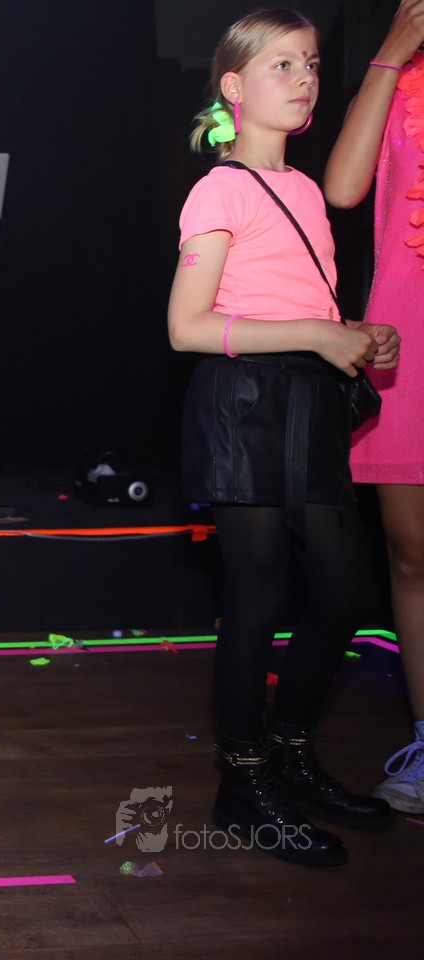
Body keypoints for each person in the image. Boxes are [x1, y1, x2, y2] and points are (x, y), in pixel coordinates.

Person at [168, 8, 401, 866]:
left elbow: (296, 300)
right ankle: (242, 782)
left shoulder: (303, 189)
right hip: (243, 408)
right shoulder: (219, 189)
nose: (305, 79)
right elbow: (187, 327)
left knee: (345, 591)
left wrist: (358, 334)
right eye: (283, 65)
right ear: (234, 86)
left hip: (309, 403)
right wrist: (316, 332)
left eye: (311, 64)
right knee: (258, 602)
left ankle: (290, 751)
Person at [322, 0, 424, 814]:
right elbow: (344, 187)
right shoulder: (399, 77)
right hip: (405, 341)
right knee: (411, 554)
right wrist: (394, 48)